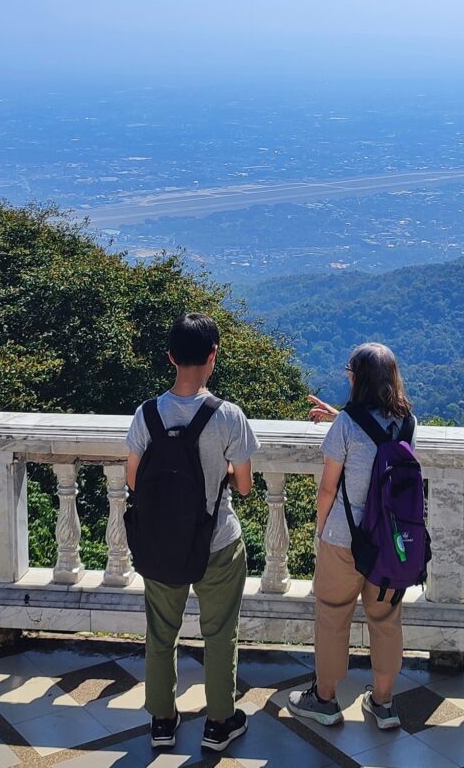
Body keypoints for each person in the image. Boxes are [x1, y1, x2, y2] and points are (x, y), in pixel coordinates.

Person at [125, 313, 258, 753]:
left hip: (161, 542)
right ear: (213, 355)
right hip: (217, 540)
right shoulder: (228, 416)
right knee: (219, 633)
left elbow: (133, 480)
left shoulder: (147, 414)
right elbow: (244, 485)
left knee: (161, 633)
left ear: (170, 356)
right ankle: (219, 723)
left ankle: (162, 720)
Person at [289, 342, 414, 731]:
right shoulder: (408, 422)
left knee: (332, 616)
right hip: (390, 543)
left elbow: (328, 488)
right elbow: (378, 443)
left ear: (357, 378)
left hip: (345, 539)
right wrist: (339, 417)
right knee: (386, 620)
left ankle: (325, 700)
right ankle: (384, 703)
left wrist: (321, 531)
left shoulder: (346, 425)